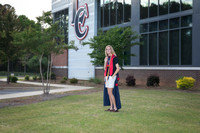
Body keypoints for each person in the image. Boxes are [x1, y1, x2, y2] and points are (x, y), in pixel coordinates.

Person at [103, 45, 121, 112]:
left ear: (111, 50)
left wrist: (113, 76)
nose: (108, 50)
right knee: (108, 93)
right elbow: (105, 69)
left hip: (111, 77)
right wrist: (105, 61)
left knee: (110, 93)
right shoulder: (107, 58)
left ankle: (115, 108)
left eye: (109, 49)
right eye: (107, 49)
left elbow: (118, 68)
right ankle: (111, 107)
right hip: (107, 77)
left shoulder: (114, 58)